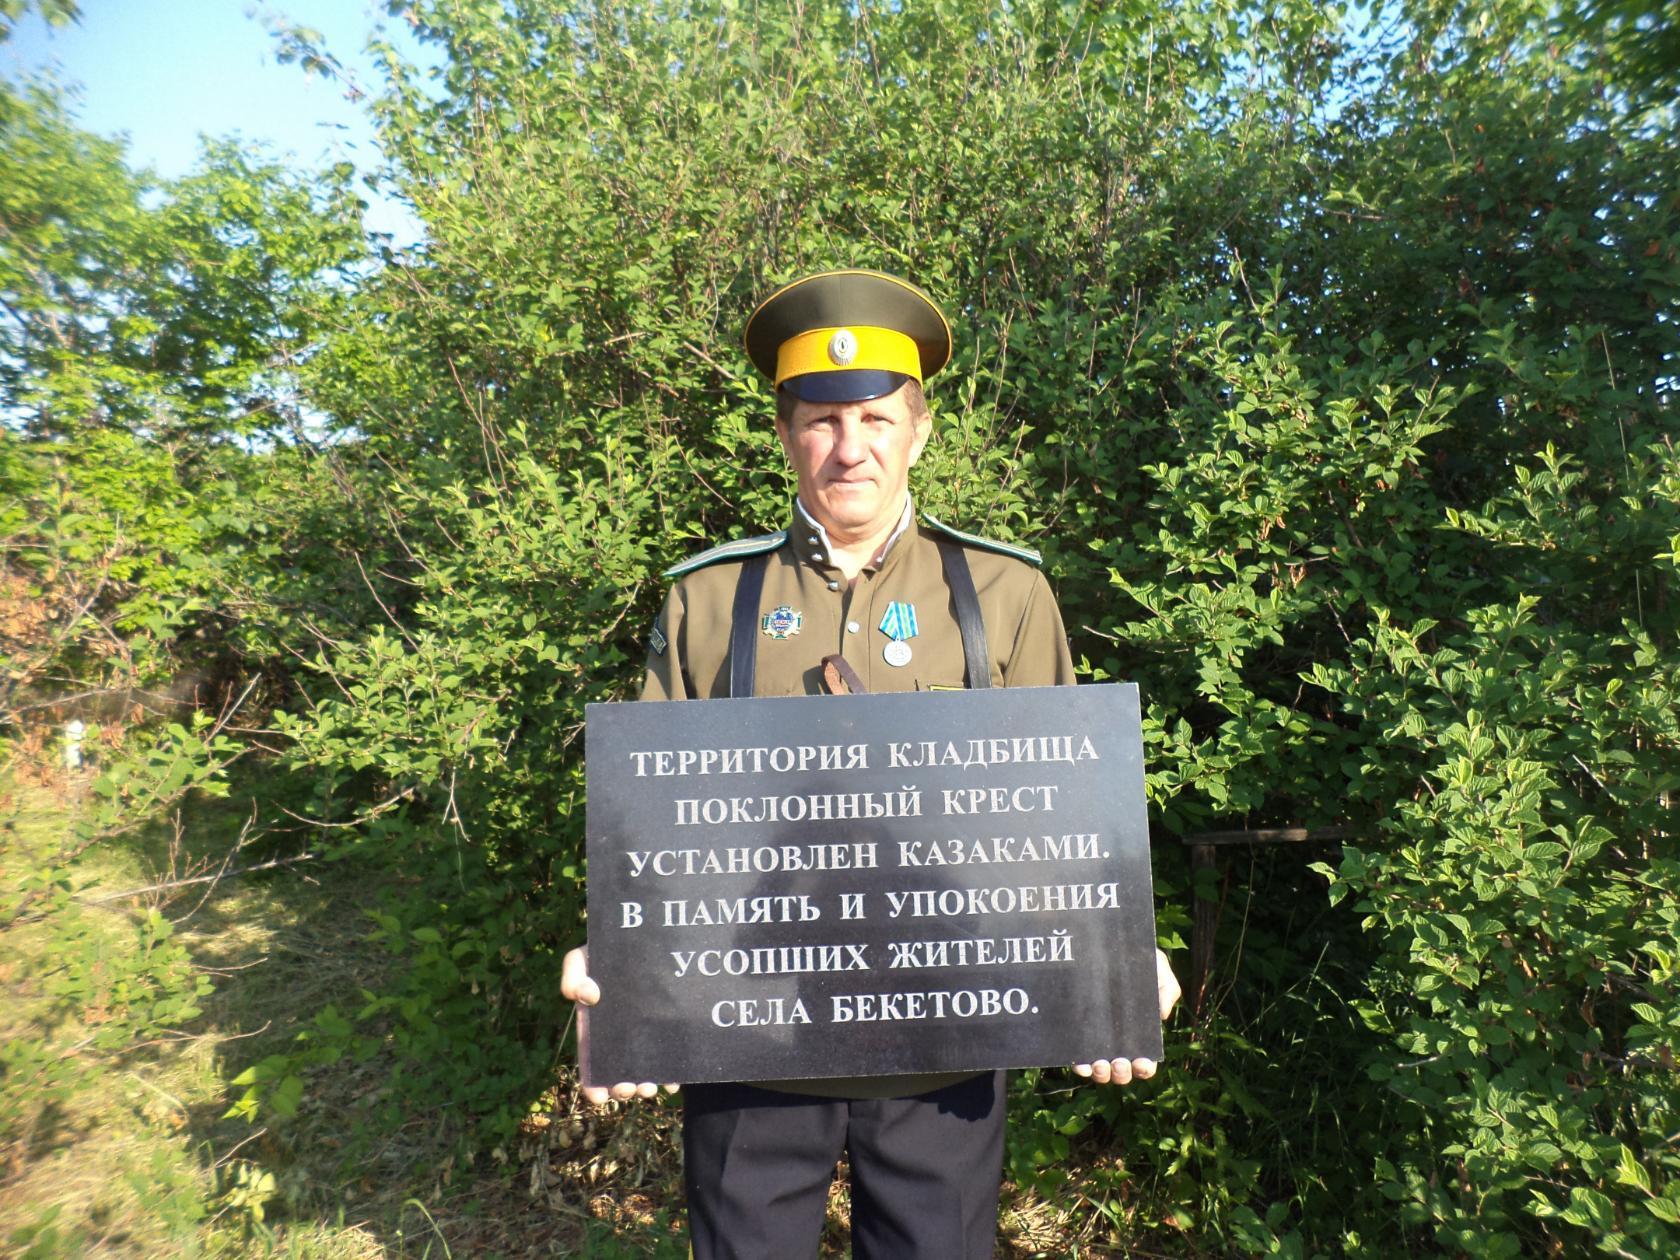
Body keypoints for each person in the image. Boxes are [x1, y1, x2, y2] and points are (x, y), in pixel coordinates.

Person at [561, 269, 1182, 1258]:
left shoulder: (1003, 594)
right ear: (783, 434)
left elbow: (1062, 821)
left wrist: (1112, 953)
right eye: (820, 422)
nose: (850, 449)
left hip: (949, 1036)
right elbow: (653, 837)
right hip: (746, 1035)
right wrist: (617, 973)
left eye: (877, 421)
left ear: (919, 431)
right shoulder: (710, 601)